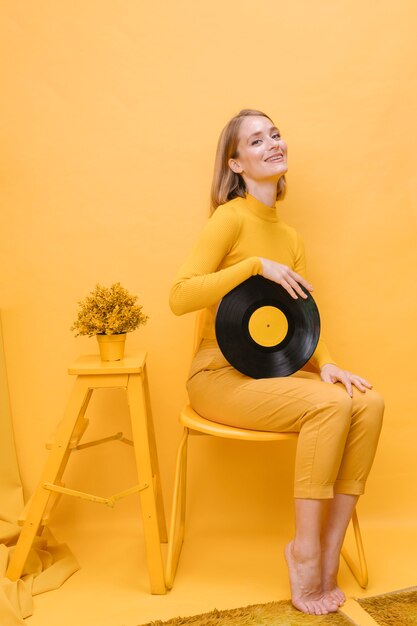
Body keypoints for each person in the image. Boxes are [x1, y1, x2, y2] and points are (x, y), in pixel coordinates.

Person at [169, 109, 384, 615]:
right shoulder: (229, 219)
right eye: (257, 140)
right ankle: (304, 555)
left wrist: (326, 363)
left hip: (270, 376)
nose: (273, 144)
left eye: (276, 134)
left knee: (367, 402)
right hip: (217, 377)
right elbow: (180, 297)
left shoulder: (291, 239)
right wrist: (251, 266)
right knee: (330, 409)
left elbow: (302, 319)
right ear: (237, 163)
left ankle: (330, 552)